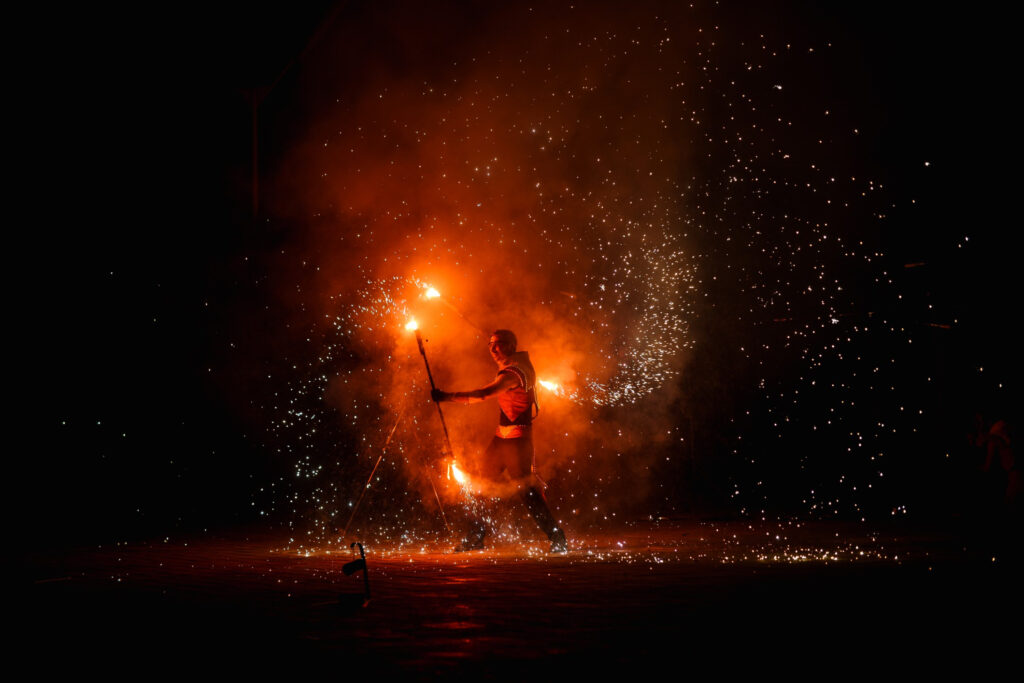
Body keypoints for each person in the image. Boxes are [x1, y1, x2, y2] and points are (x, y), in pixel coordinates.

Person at [432, 329, 568, 553]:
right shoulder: (510, 368)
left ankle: (557, 537)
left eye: (500, 344)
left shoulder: (515, 373)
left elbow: (484, 394)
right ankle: (475, 537)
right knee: (480, 486)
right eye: (490, 344)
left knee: (528, 493)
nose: (493, 349)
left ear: (513, 345)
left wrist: (447, 397)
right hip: (501, 438)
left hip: (517, 442)